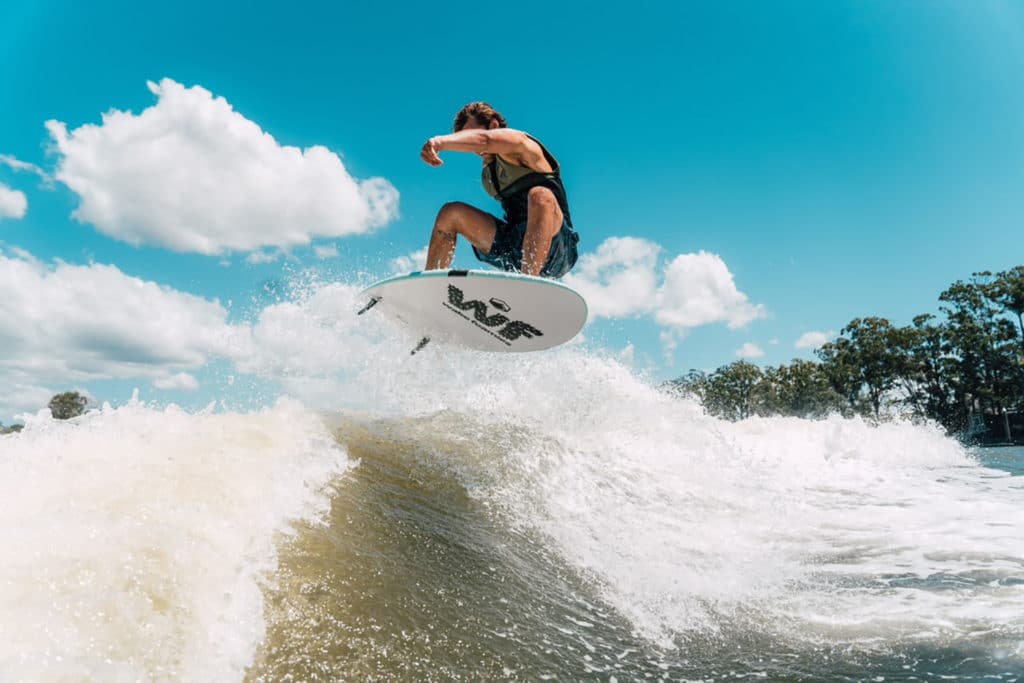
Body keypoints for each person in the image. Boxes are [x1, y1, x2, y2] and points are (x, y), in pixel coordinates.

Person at [419, 102, 579, 278]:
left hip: (558, 246)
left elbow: (485, 140)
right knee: (451, 213)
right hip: (516, 247)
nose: (474, 150)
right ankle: (431, 284)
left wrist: (439, 142)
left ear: (493, 125)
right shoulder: (489, 171)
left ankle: (529, 284)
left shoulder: (521, 145)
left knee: (540, 195)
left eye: (471, 136)